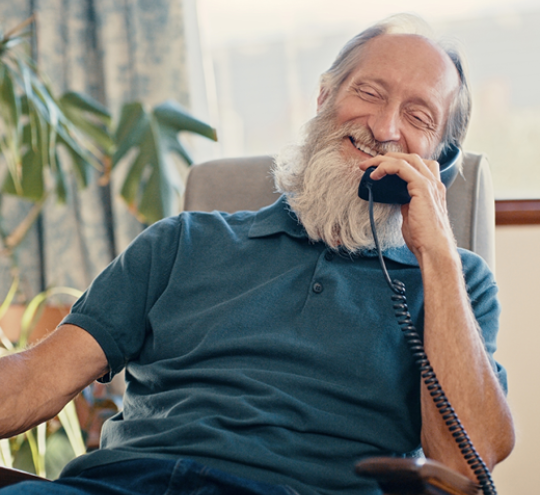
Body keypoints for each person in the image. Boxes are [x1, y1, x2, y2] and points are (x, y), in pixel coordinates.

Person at [0, 14, 514, 495]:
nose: (384, 128)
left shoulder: (458, 284)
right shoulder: (180, 242)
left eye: (418, 115)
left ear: (439, 161)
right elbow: (30, 383)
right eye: (368, 93)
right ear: (324, 98)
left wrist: (438, 254)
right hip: (125, 482)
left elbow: (467, 463)